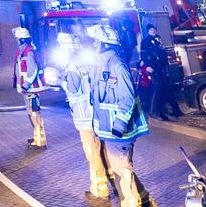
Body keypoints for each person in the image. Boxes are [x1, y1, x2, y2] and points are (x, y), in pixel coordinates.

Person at [88, 23, 152, 207]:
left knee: (123, 171)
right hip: (108, 130)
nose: (93, 45)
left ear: (103, 44)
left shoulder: (117, 65)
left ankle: (133, 203)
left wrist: (118, 127)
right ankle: (140, 198)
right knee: (120, 170)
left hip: (118, 131)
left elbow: (127, 98)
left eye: (95, 41)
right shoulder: (101, 65)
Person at [60, 32, 111, 200]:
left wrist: (61, 82)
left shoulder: (72, 67)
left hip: (84, 118)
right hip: (98, 115)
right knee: (102, 148)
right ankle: (113, 181)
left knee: (92, 153)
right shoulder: (90, 61)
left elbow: (73, 91)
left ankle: (99, 189)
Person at [12, 27, 46, 149]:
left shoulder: (29, 52)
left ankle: (40, 141)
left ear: (22, 40)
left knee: (34, 113)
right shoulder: (23, 52)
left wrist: (25, 85)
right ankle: (37, 137)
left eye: (17, 39)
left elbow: (32, 71)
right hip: (27, 89)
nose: (16, 41)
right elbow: (20, 72)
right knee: (31, 113)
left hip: (31, 89)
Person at [140, 25, 182, 120]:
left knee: (167, 88)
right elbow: (143, 54)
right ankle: (154, 111)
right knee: (157, 89)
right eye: (151, 29)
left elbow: (161, 52)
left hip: (162, 67)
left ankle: (173, 110)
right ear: (148, 31)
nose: (153, 30)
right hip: (154, 68)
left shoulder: (157, 39)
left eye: (154, 29)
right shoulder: (145, 41)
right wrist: (147, 66)